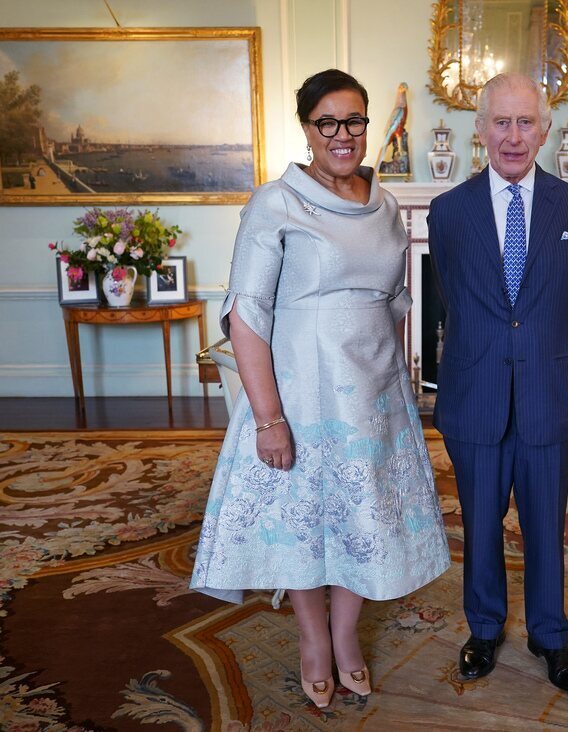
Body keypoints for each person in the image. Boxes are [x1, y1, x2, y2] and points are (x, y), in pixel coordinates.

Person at [190, 69, 450, 710]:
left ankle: (345, 634)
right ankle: (312, 640)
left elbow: (392, 302)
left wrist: (390, 377)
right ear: (306, 129)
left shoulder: (386, 206)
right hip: (301, 394)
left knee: (364, 515)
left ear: (370, 127)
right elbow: (247, 314)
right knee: (303, 521)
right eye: (326, 122)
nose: (342, 135)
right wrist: (268, 418)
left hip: (373, 392)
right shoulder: (274, 203)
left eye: (354, 121)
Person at [427, 73, 568, 694]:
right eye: (501, 122)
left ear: (545, 130)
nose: (514, 136)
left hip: (547, 397)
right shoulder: (449, 212)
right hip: (475, 396)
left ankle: (551, 638)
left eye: (526, 122)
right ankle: (484, 627)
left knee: (547, 524)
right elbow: (453, 296)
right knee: (479, 523)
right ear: (479, 130)